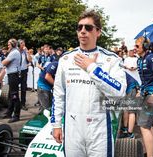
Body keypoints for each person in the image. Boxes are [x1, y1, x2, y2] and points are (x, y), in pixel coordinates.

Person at [51, 10, 127, 156]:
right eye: (80, 27)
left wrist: (92, 68)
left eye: (88, 27)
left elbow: (119, 93)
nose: (83, 31)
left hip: (99, 129)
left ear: (98, 32)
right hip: (72, 129)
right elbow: (58, 94)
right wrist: (56, 125)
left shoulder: (111, 59)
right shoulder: (66, 59)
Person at [135, 37, 153, 157]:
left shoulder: (151, 58)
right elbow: (145, 79)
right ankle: (150, 153)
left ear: (146, 46)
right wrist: (140, 91)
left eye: (137, 46)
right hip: (145, 93)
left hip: (151, 95)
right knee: (147, 125)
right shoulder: (140, 60)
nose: (135, 48)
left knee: (143, 126)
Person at [2, 38, 21, 123]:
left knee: (14, 95)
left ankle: (16, 115)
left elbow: (4, 63)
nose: (8, 45)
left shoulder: (14, 52)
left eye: (9, 44)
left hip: (13, 75)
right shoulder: (13, 52)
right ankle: (9, 112)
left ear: (13, 44)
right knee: (11, 94)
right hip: (12, 74)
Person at [18, 39, 32, 110]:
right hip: (16, 72)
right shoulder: (16, 52)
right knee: (14, 88)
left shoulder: (25, 52)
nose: (23, 45)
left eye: (24, 44)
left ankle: (23, 103)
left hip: (23, 71)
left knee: (23, 88)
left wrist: (27, 52)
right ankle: (15, 103)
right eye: (21, 44)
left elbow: (30, 60)